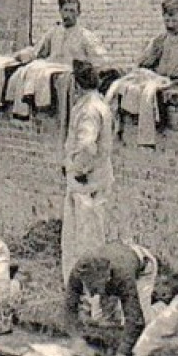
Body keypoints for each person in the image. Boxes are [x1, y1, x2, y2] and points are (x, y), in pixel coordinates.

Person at [62, 60, 116, 280]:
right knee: (94, 234)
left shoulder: (89, 110)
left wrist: (80, 170)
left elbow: (86, 144)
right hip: (99, 178)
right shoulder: (100, 104)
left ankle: (84, 293)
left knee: (83, 238)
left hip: (88, 183)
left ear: (77, 84)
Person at [66, 241, 161, 356]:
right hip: (116, 256)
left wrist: (121, 355)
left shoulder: (124, 278)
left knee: (144, 322)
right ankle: (109, 348)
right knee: (103, 320)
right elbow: (70, 308)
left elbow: (135, 319)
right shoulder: (79, 272)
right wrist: (77, 339)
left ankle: (161, 309)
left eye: (96, 288)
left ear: (107, 278)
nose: (93, 293)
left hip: (143, 265)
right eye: (90, 288)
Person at [16, 0, 109, 66]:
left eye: (72, 11)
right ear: (60, 11)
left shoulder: (86, 36)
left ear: (78, 13)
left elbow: (100, 60)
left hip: (73, 80)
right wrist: (22, 55)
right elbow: (37, 52)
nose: (68, 15)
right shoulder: (53, 33)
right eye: (65, 10)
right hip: (52, 79)